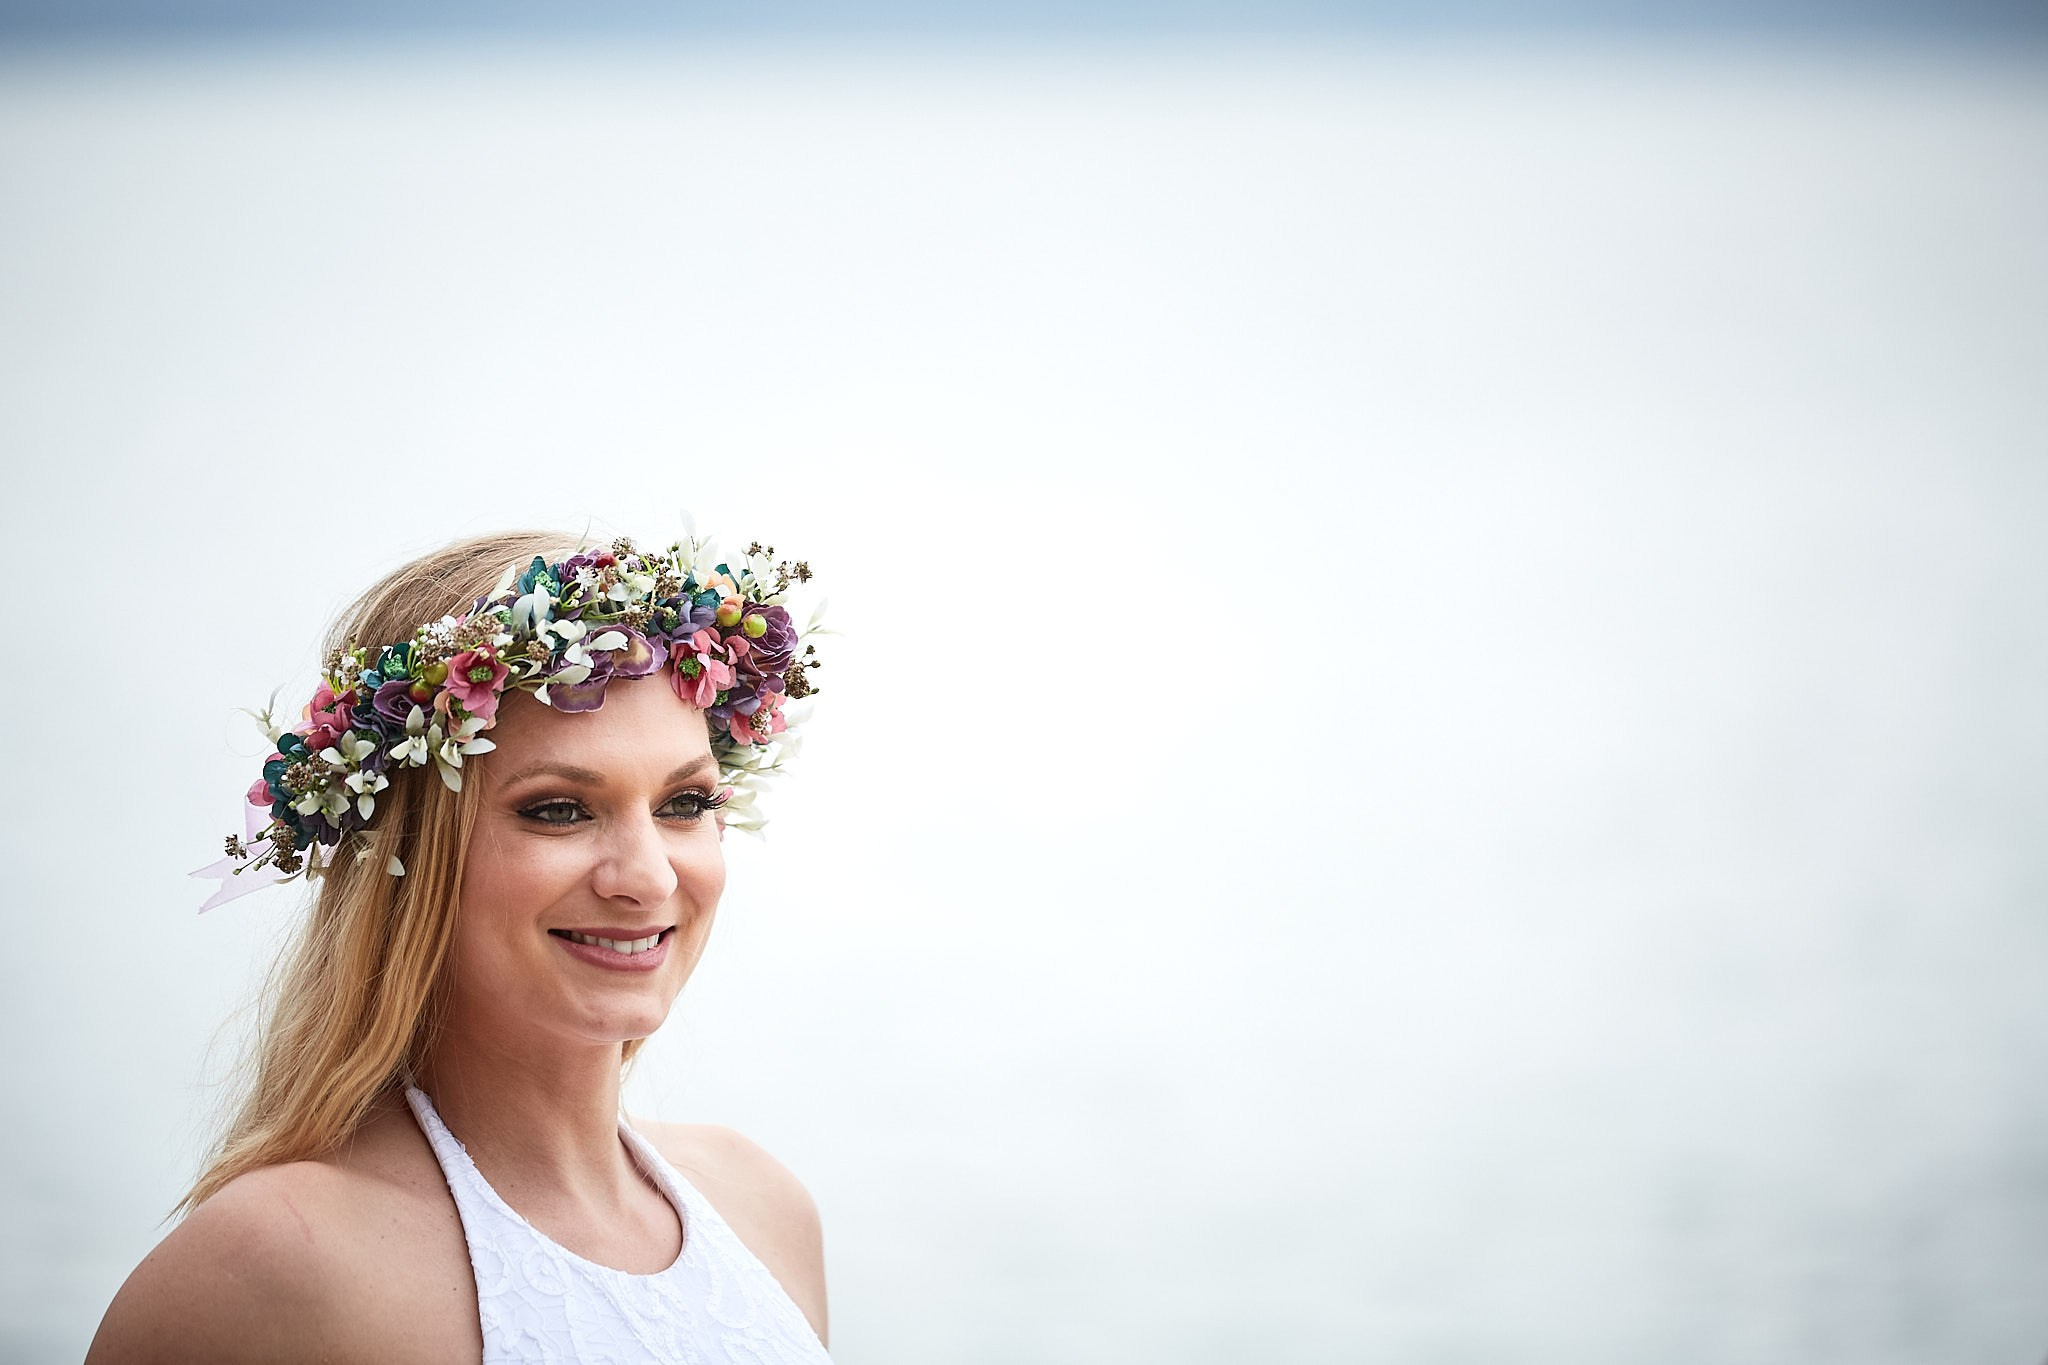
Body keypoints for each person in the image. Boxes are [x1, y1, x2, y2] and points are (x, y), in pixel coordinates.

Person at [87, 529, 833, 1364]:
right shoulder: (275, 1266)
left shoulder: (766, 1211)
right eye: (558, 808)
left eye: (685, 802)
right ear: (408, 857)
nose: (649, 878)